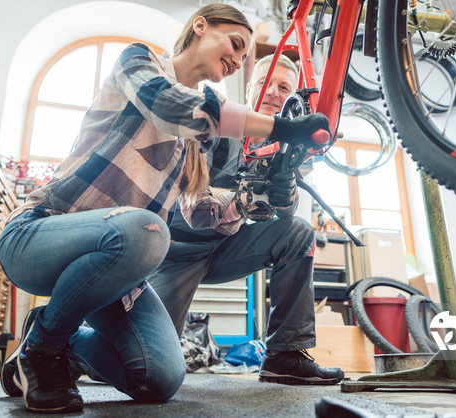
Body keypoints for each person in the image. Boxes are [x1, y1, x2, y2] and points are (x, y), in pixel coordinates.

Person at [0, 4, 330, 414]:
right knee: (146, 230)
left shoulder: (197, 142)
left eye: (244, 56)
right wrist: (281, 127)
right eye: (236, 45)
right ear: (200, 26)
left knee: (159, 378)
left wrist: (255, 197)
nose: (236, 60)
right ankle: (44, 348)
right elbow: (170, 106)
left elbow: (201, 211)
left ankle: (61, 341)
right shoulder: (139, 61)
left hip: (129, 258)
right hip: (46, 233)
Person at [147, 54, 345, 385]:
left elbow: (285, 214)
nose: (275, 93)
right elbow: (194, 202)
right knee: (146, 364)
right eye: (269, 83)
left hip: (223, 249)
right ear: (251, 87)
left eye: (285, 88)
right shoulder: (216, 124)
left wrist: (288, 190)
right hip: (176, 252)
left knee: (297, 233)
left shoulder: (281, 145)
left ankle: (284, 355)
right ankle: (70, 343)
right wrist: (242, 200)